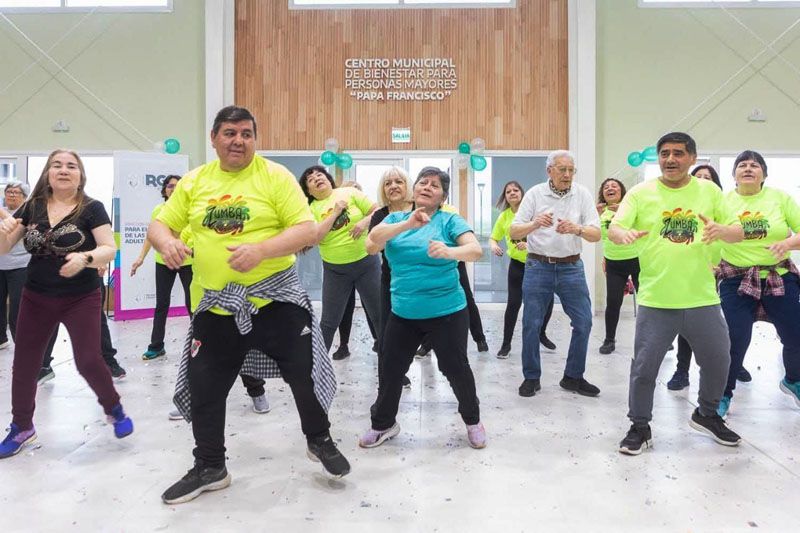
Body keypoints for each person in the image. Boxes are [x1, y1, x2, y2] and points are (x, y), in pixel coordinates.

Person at [150, 106, 349, 505]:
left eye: (246, 133)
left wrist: (260, 250)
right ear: (213, 138)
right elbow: (160, 224)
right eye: (229, 133)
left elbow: (305, 230)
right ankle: (210, 466)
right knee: (206, 385)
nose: (238, 140)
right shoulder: (195, 181)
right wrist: (167, 242)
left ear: (255, 139)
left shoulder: (274, 176)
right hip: (216, 304)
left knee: (304, 373)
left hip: (276, 298)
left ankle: (318, 439)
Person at [610, 132, 744, 455]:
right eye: (665, 153)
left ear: (692, 158)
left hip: (702, 297)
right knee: (644, 367)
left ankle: (707, 413)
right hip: (657, 298)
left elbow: (738, 231)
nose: (670, 159)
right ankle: (640, 426)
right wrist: (623, 233)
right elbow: (614, 229)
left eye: (678, 153)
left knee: (719, 359)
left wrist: (722, 231)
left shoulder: (709, 192)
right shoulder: (641, 194)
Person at [0, 149, 133, 459]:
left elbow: (109, 249)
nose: (63, 170)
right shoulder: (31, 207)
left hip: (81, 297)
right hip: (37, 296)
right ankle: (22, 427)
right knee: (25, 364)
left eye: (71, 166)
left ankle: (113, 407)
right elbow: (4, 249)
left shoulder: (92, 208)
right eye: (56, 165)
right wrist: (3, 231)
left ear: (80, 175)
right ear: (48, 173)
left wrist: (85, 258)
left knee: (88, 359)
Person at [360, 167, 486, 449]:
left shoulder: (449, 220)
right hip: (404, 312)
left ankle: (473, 420)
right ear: (414, 190)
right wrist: (408, 224)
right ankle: (383, 424)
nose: (427, 187)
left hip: (447, 312)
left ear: (442, 196)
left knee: (455, 368)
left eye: (435, 185)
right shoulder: (395, 219)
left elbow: (476, 250)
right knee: (390, 368)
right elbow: (371, 245)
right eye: (423, 183)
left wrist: (450, 252)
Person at [510, 150, 601, 398]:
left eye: (571, 170)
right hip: (538, 266)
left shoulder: (581, 194)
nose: (568, 175)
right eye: (562, 169)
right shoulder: (535, 194)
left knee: (583, 321)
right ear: (549, 170)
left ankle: (573, 377)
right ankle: (531, 377)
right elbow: (514, 230)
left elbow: (596, 234)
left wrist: (577, 228)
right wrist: (535, 223)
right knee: (531, 324)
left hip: (572, 267)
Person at [715, 150, 800, 416]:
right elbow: (708, 234)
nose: (748, 168)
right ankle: (722, 394)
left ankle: (793, 380)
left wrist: (786, 243)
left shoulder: (779, 198)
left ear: (764, 173)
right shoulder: (723, 201)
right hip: (735, 279)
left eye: (755, 165)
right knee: (735, 338)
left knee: (795, 335)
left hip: (778, 276)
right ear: (734, 175)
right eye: (742, 165)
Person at [666, 164, 752, 389]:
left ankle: (735, 364)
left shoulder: (725, 205)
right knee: (686, 325)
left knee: (731, 325)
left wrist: (721, 266)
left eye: (709, 177)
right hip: (692, 275)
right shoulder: (684, 206)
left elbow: (738, 238)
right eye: (699, 176)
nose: (704, 180)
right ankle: (681, 371)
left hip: (727, 274)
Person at [299, 166, 382, 360]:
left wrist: (365, 222)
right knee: (328, 322)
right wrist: (335, 212)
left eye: (320, 174)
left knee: (380, 317)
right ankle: (315, 373)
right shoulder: (309, 209)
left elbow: (378, 211)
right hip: (336, 271)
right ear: (309, 191)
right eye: (310, 179)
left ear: (329, 179)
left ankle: (394, 371)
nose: (316, 178)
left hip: (367, 264)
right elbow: (315, 237)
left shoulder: (349, 192)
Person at [489, 180, 556, 359]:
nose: (512, 193)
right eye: (508, 191)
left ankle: (541, 333)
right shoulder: (504, 217)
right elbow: (493, 238)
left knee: (547, 303)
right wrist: (494, 246)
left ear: (522, 193)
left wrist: (528, 244)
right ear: (505, 197)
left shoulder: (534, 213)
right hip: (517, 266)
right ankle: (506, 344)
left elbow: (548, 236)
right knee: (513, 304)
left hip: (539, 265)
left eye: (515, 190)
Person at [131, 174, 192, 360]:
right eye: (170, 186)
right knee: (162, 304)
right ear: (165, 189)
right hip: (164, 262)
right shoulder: (159, 209)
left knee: (193, 305)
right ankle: (156, 346)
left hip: (187, 262)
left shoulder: (190, 209)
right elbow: (152, 236)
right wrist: (140, 258)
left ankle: (200, 344)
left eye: (177, 186)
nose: (173, 189)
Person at [0, 182, 59, 376]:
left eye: (16, 193)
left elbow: (14, 225)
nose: (11, 195)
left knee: (17, 313)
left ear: (24, 196)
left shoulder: (27, 211)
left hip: (21, 267)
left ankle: (28, 354)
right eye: (9, 192)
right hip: (1, 265)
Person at [368, 167, 416, 390]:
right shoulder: (380, 216)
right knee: (386, 334)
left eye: (399, 181)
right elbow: (373, 247)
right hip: (392, 281)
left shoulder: (420, 209)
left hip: (424, 280)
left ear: (407, 186)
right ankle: (387, 380)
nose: (393, 186)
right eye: (388, 183)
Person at [39, 271, 126, 382]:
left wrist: (101, 260)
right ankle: (42, 365)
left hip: (88, 269)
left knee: (96, 315)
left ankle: (108, 361)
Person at [330, 181, 378, 359]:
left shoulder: (367, 213)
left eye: (357, 191)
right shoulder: (335, 211)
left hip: (365, 263)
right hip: (340, 266)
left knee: (371, 306)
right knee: (345, 307)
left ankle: (378, 340)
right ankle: (343, 345)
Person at [596, 177, 640, 355]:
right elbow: (598, 236)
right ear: (603, 194)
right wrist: (595, 215)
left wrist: (623, 209)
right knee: (613, 302)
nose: (610, 188)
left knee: (646, 301)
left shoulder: (631, 208)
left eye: (614, 186)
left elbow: (644, 225)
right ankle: (609, 339)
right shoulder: (600, 213)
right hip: (614, 262)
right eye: (606, 187)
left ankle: (655, 337)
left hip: (637, 259)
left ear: (622, 191)